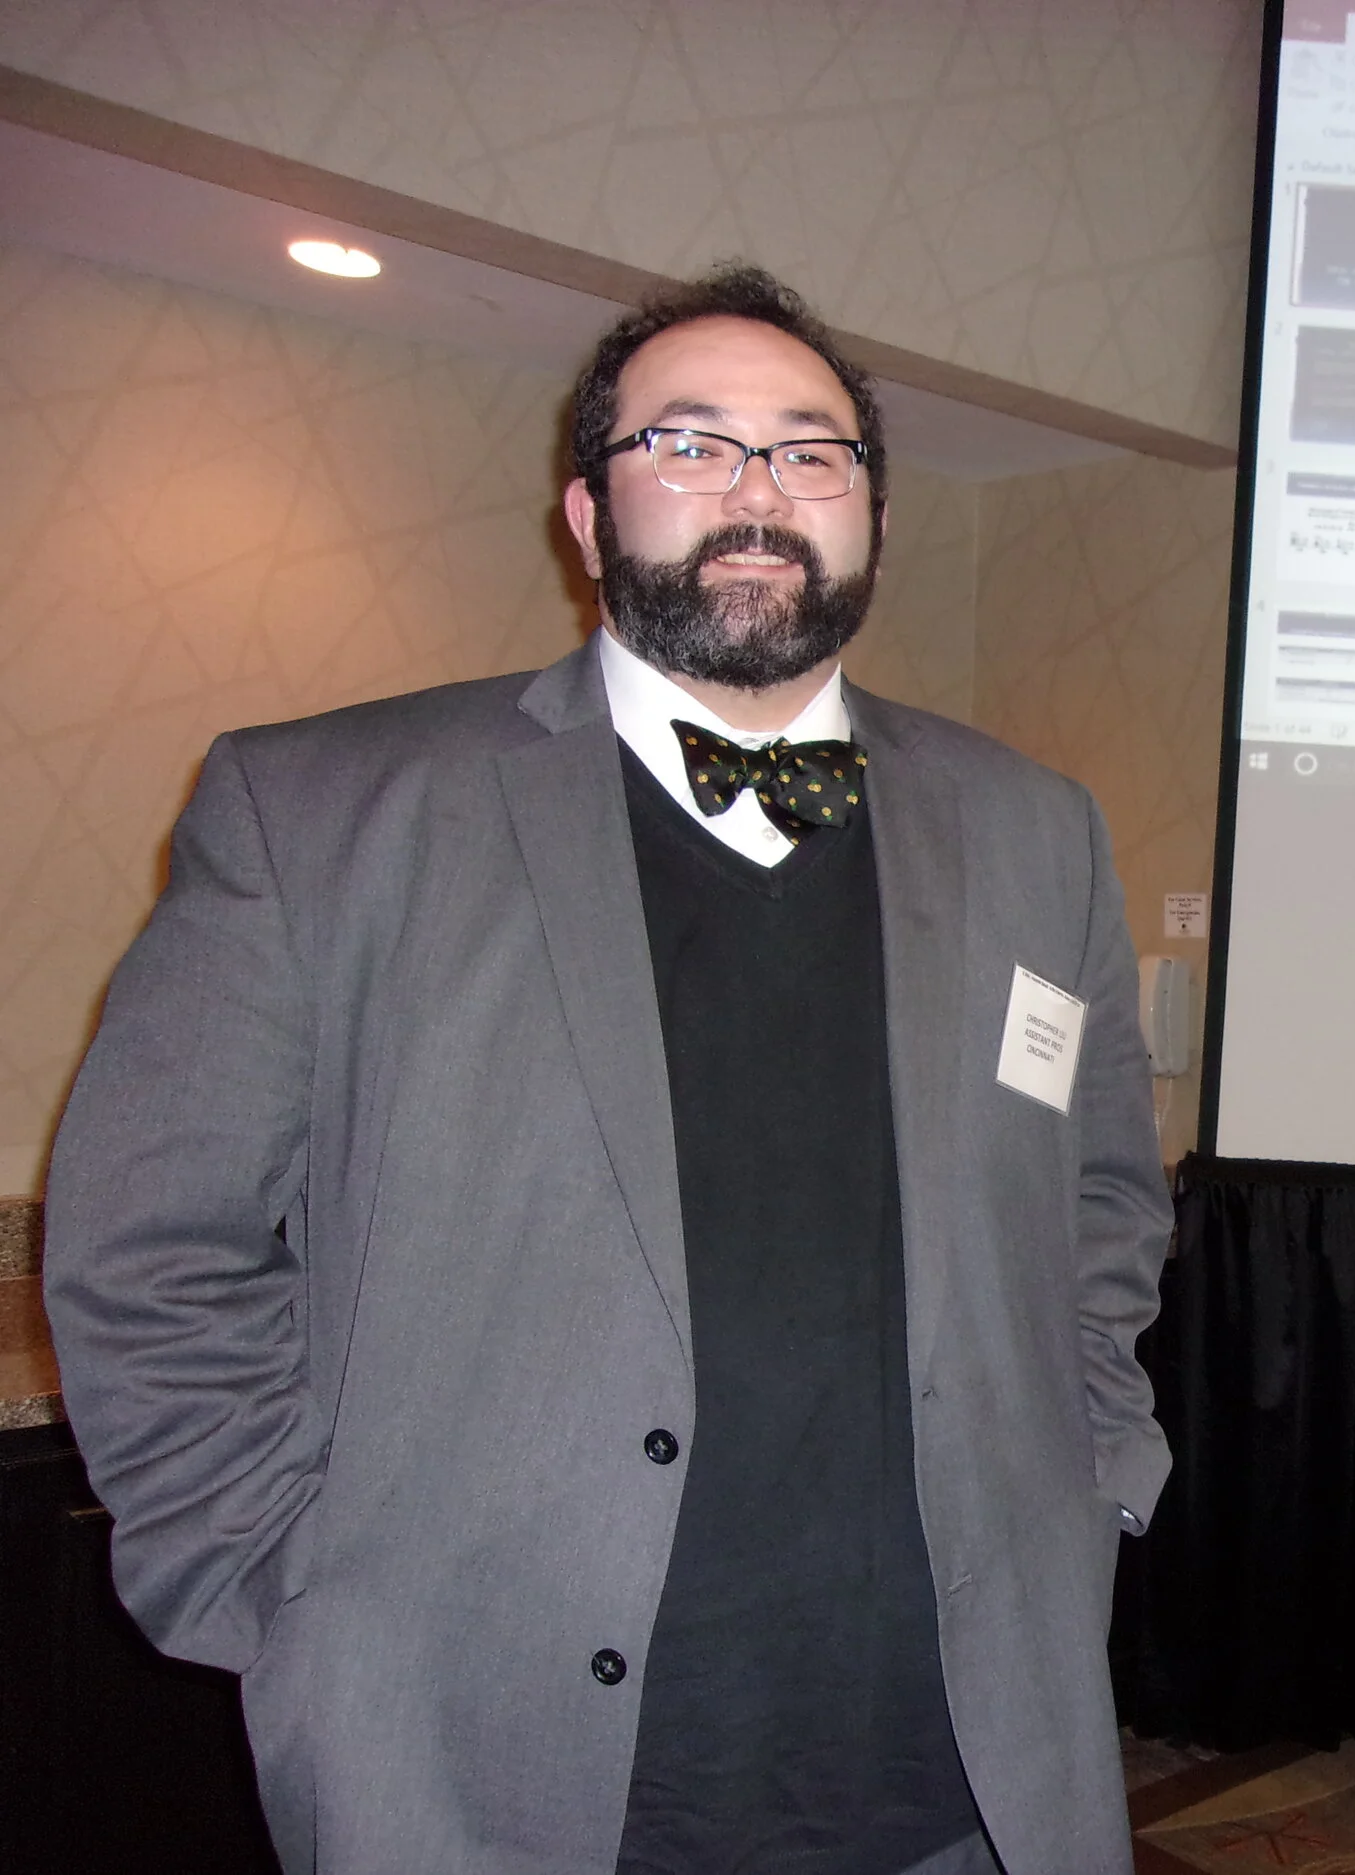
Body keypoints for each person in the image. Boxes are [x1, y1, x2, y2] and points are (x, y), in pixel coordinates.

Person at [43, 264, 1173, 1875]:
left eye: (812, 452)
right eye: (690, 443)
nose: (758, 492)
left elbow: (1100, 1205)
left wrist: (1094, 1467)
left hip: (957, 1761)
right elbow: (151, 1247)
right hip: (490, 1761)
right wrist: (281, 1586)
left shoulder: (1031, 825)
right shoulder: (320, 813)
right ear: (587, 514)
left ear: (870, 512)